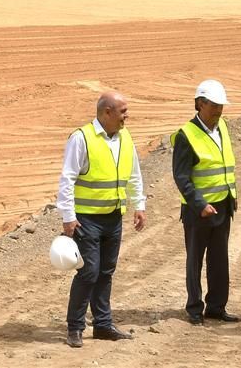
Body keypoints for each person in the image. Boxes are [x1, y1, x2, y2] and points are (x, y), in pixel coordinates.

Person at [56, 91, 147, 348]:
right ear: (107, 112)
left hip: (113, 217)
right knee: (88, 272)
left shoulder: (125, 137)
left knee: (106, 272)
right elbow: (67, 179)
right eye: (123, 112)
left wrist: (139, 205)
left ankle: (103, 325)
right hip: (87, 220)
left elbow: (134, 174)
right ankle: (75, 327)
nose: (126, 117)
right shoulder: (81, 138)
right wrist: (68, 217)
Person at [172, 79, 239, 325]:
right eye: (214, 106)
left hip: (222, 204)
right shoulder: (185, 135)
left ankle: (216, 307)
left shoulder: (222, 128)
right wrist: (199, 204)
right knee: (195, 260)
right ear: (200, 104)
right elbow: (182, 177)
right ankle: (194, 309)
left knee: (219, 261)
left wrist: (231, 197)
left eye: (221, 106)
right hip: (197, 210)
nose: (219, 111)